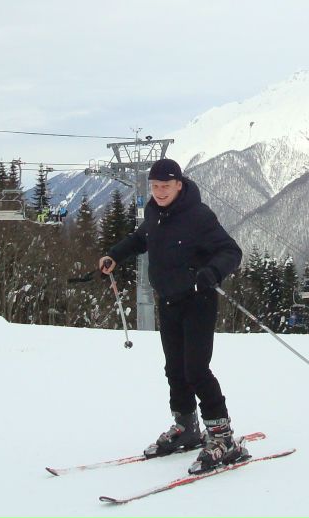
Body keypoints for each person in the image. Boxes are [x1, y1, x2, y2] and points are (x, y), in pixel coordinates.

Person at [98, 157, 244, 474]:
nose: (160, 192)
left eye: (165, 186)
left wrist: (213, 272)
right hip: (168, 300)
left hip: (198, 301)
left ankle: (223, 437)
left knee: (196, 369)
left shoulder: (199, 216)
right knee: (174, 368)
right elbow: (141, 238)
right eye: (155, 186)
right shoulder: (155, 212)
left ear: (179, 184)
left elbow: (232, 252)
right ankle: (187, 427)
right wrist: (114, 255)